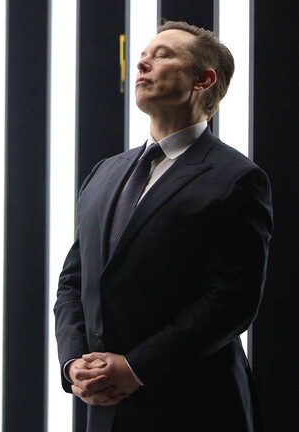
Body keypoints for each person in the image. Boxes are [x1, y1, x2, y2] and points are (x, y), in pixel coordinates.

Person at [53, 20, 273, 432]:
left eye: (163, 55)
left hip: (196, 408)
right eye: (142, 56)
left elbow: (232, 301)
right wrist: (73, 362)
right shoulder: (104, 173)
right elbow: (74, 282)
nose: (142, 63)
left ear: (203, 80)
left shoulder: (237, 177)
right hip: (106, 409)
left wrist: (135, 368)